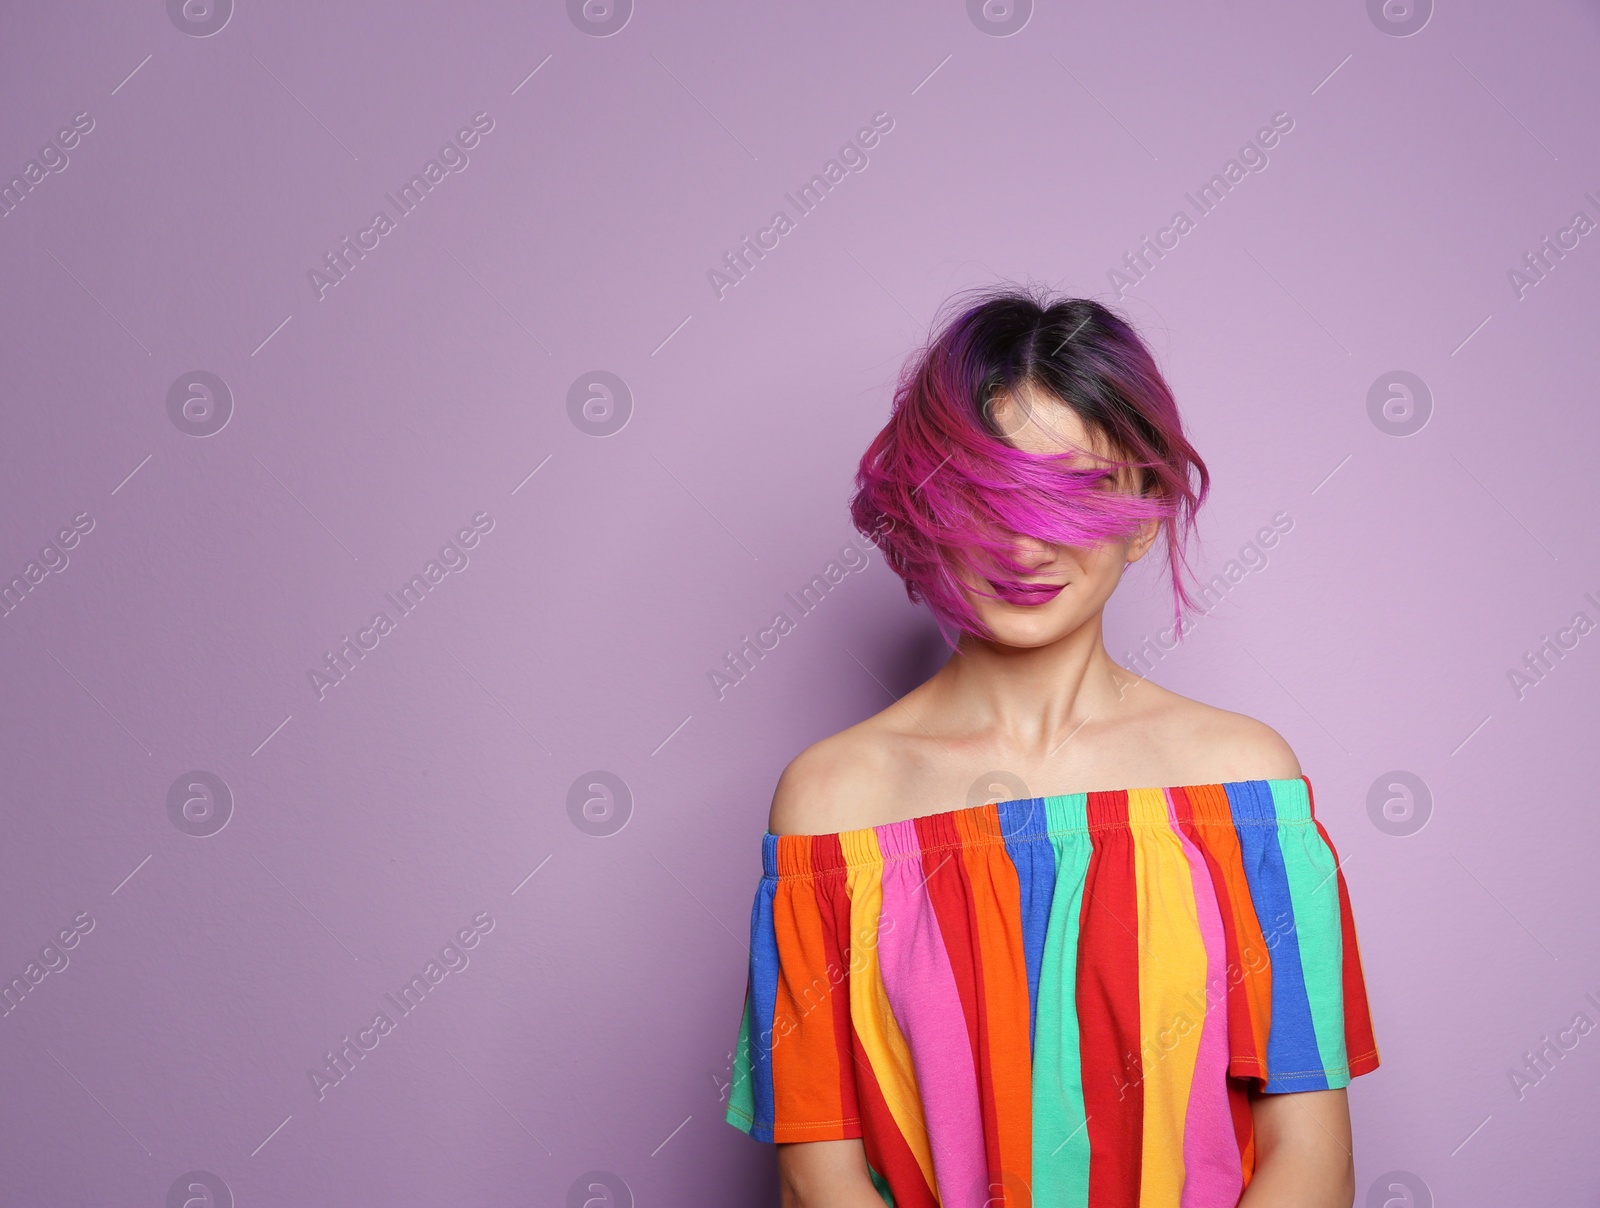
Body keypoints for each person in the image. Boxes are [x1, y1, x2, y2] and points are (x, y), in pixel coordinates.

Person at [722, 286, 1380, 1208]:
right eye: (986, 494)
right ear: (923, 509)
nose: (1027, 541)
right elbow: (815, 1179)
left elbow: (1312, 1164)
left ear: (1147, 513)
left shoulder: (1246, 789)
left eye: (1076, 491)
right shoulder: (834, 802)